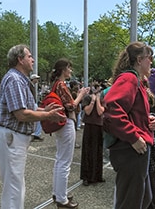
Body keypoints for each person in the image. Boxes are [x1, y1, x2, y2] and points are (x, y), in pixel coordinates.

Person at [0, 44, 65, 208]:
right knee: (14, 185)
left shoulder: (18, 79)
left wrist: (44, 110)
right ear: (20, 59)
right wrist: (48, 115)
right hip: (11, 136)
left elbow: (26, 108)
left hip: (12, 136)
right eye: (29, 56)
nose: (33, 60)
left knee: (14, 183)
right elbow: (21, 114)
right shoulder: (15, 80)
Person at [103, 42, 155, 208]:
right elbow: (112, 109)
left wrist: (149, 119)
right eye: (149, 58)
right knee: (131, 202)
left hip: (134, 149)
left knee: (143, 199)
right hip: (130, 150)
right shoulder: (129, 78)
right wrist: (133, 137)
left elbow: (129, 111)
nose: (151, 62)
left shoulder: (136, 80)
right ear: (139, 60)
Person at [48, 59, 89, 208]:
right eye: (69, 68)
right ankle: (62, 198)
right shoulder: (61, 85)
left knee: (60, 160)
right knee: (65, 162)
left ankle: (58, 192)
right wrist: (81, 95)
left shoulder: (55, 84)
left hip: (60, 124)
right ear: (64, 69)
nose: (70, 71)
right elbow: (71, 106)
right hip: (66, 123)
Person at [80, 84, 105, 186]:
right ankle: (86, 177)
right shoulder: (87, 98)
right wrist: (92, 101)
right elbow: (87, 111)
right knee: (88, 151)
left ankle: (97, 175)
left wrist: (98, 100)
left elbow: (100, 112)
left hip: (99, 126)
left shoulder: (102, 99)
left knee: (98, 151)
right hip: (89, 126)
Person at [30, 74, 45, 142]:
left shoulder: (32, 86)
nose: (37, 80)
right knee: (38, 118)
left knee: (36, 119)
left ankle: (35, 133)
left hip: (33, 103)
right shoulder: (30, 86)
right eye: (36, 78)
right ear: (33, 79)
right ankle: (36, 134)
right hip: (32, 104)